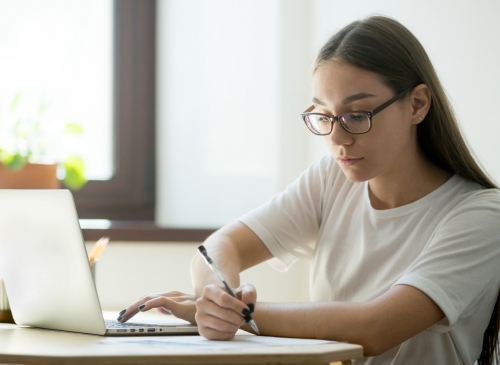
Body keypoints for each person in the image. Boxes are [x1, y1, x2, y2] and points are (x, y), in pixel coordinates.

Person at [118, 16, 500, 365]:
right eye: (324, 116)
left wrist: (242, 316)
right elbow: (218, 249)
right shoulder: (332, 178)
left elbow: (376, 327)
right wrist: (218, 297)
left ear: (417, 104)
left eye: (356, 115)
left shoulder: (482, 214)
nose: (336, 138)